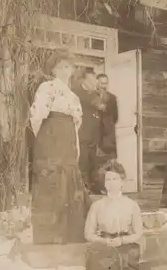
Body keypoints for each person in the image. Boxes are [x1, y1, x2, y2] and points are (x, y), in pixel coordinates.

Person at [29, 50, 91, 244]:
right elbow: (37, 115)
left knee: (69, 179)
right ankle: (49, 235)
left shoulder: (74, 96)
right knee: (52, 179)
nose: (65, 70)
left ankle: (69, 234)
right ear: (53, 70)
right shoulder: (47, 88)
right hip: (50, 136)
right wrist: (45, 139)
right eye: (61, 66)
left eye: (68, 67)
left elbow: (76, 125)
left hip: (68, 139)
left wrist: (76, 148)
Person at [84, 160, 153, 270]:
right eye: (108, 179)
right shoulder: (97, 206)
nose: (111, 182)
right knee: (102, 260)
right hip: (104, 244)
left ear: (122, 182)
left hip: (125, 244)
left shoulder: (131, 205)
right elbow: (88, 234)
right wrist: (106, 241)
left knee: (125, 261)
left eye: (115, 179)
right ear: (104, 183)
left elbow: (138, 233)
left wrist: (122, 241)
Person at [72, 67, 106, 193]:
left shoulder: (94, 93)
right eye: (92, 79)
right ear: (84, 80)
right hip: (83, 133)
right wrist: (98, 93)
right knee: (83, 161)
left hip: (93, 133)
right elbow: (100, 105)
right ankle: (83, 187)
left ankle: (94, 186)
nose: (95, 82)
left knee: (93, 161)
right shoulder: (78, 93)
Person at [96, 73, 118, 161]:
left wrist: (107, 125)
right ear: (97, 83)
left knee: (108, 164)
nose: (103, 86)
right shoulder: (91, 97)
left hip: (107, 138)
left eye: (105, 83)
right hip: (94, 137)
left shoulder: (112, 98)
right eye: (101, 83)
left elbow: (115, 117)